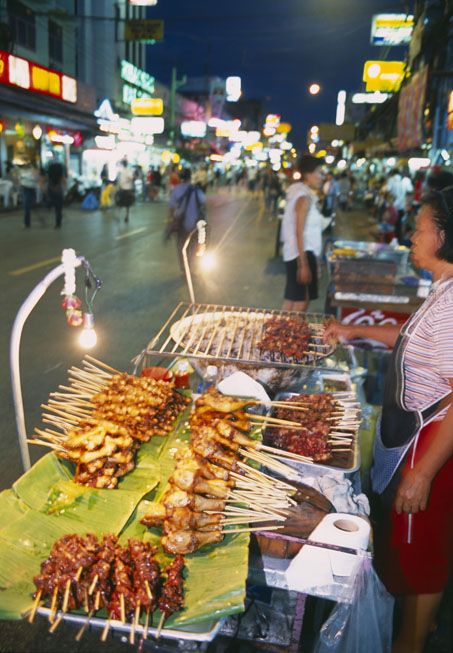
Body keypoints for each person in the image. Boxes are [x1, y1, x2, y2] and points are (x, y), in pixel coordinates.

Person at [324, 187, 453, 653]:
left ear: (442, 236)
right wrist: (352, 329)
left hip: (431, 450)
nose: (410, 237)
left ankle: (413, 643)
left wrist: (422, 474)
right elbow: (408, 335)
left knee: (423, 564)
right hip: (411, 444)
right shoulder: (442, 290)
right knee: (409, 555)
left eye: (418, 229)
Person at [280, 154, 323, 312]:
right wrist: (303, 264)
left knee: (294, 300)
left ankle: (281, 333)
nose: (321, 177)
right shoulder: (303, 197)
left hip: (299, 252)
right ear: (308, 174)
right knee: (300, 303)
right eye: (319, 172)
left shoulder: (300, 193)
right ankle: (286, 334)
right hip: (300, 253)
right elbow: (298, 232)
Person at [167, 168, 206, 272]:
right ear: (190, 177)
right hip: (194, 223)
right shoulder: (196, 190)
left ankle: (184, 267)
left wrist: (170, 220)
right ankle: (192, 265)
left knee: (181, 245)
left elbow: (171, 206)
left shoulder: (176, 189)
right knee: (193, 245)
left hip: (181, 223)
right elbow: (203, 202)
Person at [46, 158, 67, 228]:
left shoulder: (50, 175)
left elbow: (45, 180)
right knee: (59, 209)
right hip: (59, 191)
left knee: (53, 204)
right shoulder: (61, 175)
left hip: (51, 189)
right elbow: (64, 182)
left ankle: (49, 207)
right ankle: (58, 223)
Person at [19, 161, 38, 228]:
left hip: (31, 188)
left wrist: (27, 177)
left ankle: (28, 223)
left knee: (30, 205)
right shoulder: (22, 171)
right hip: (25, 188)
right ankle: (27, 223)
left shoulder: (33, 170)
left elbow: (35, 178)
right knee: (26, 206)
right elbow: (20, 179)